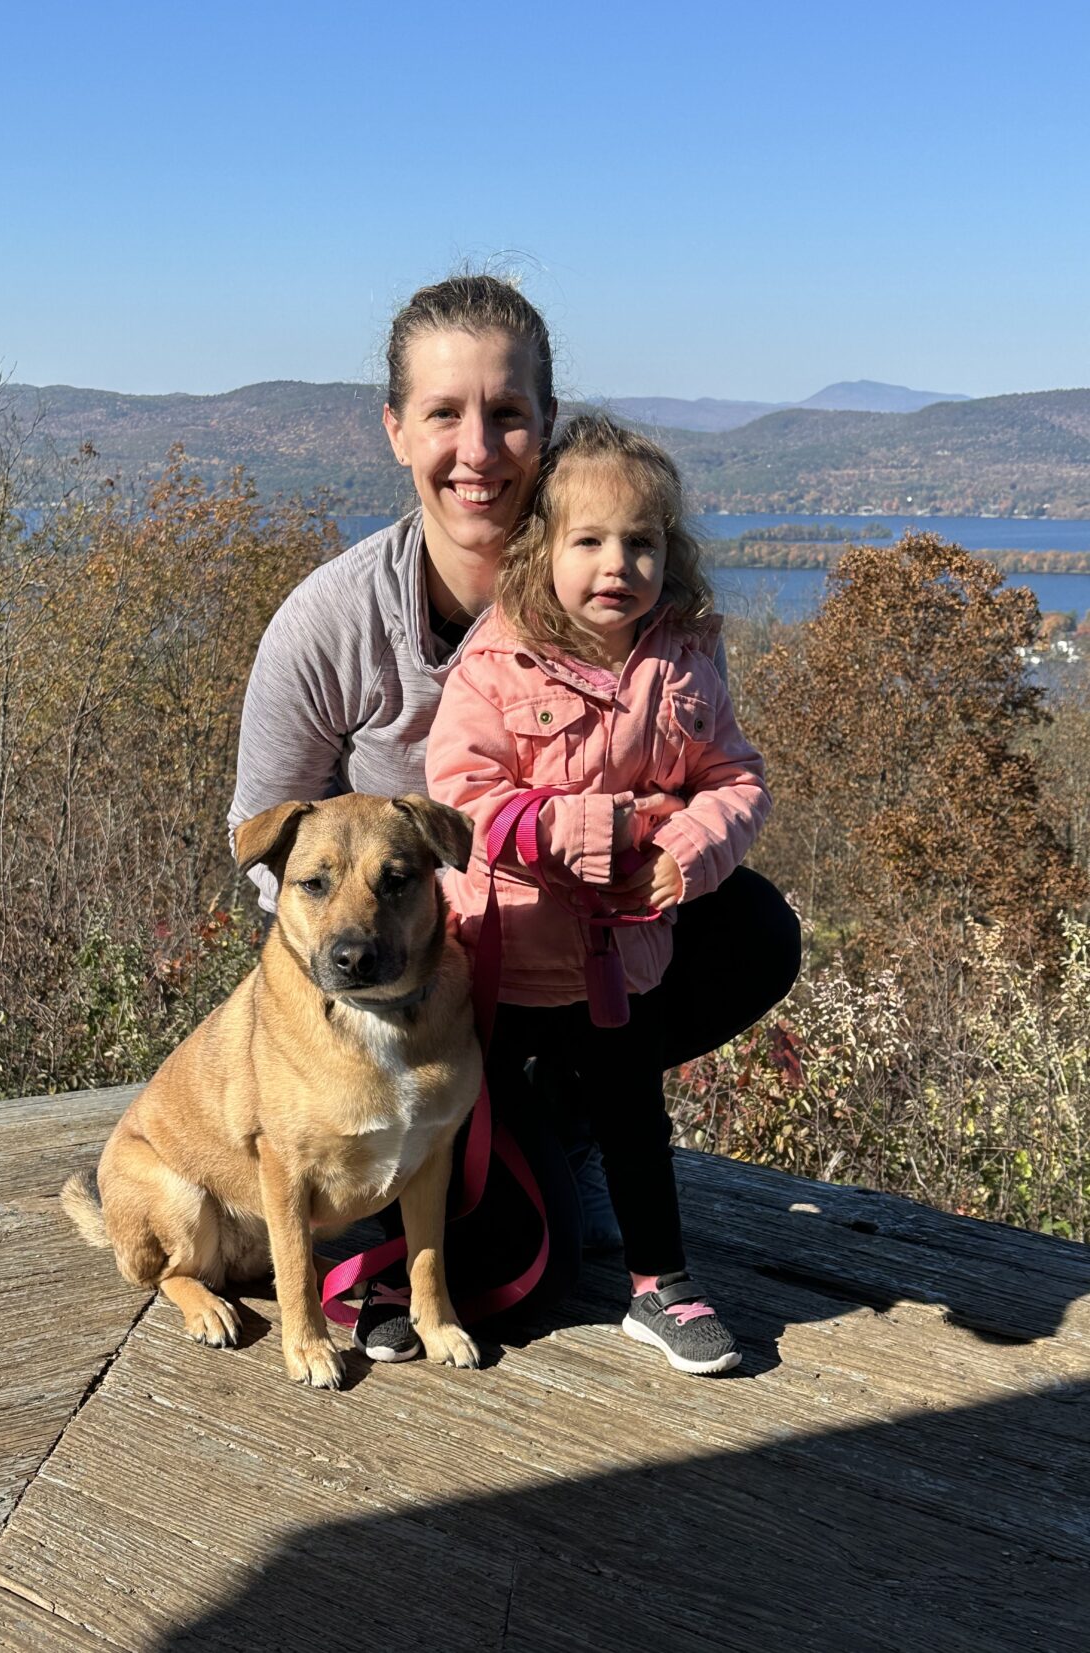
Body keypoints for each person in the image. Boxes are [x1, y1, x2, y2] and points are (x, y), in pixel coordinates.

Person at [230, 274, 800, 1362]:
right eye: (445, 413)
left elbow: (707, 766)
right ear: (396, 430)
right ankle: (463, 1183)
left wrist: (671, 839)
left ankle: (567, 1125)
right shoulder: (330, 625)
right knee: (513, 1285)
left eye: (506, 414)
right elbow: (263, 840)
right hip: (432, 977)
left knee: (756, 925)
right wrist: (360, 979)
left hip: (594, 950)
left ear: (545, 428)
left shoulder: (627, 601)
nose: (478, 448)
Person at [425, 413, 767, 1374]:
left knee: (635, 1117)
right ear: (542, 550)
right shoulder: (497, 661)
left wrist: (692, 849)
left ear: (671, 552)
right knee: (473, 1152)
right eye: (590, 540)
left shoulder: (686, 658)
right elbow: (461, 797)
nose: (618, 564)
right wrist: (580, 826)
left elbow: (737, 779)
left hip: (625, 958)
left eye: (643, 542)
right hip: (507, 964)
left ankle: (660, 1285)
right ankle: (397, 1256)